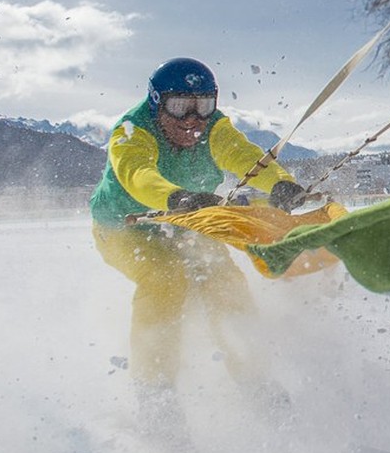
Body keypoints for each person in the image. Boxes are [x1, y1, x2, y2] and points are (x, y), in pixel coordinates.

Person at [89, 57, 309, 430]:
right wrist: (174, 197)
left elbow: (243, 157)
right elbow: (136, 174)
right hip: (124, 229)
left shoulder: (214, 128)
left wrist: (278, 183)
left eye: (204, 106)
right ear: (158, 103)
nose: (193, 120)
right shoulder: (132, 131)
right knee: (166, 277)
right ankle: (155, 395)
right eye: (180, 107)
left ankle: (254, 379)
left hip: (188, 221)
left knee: (224, 281)